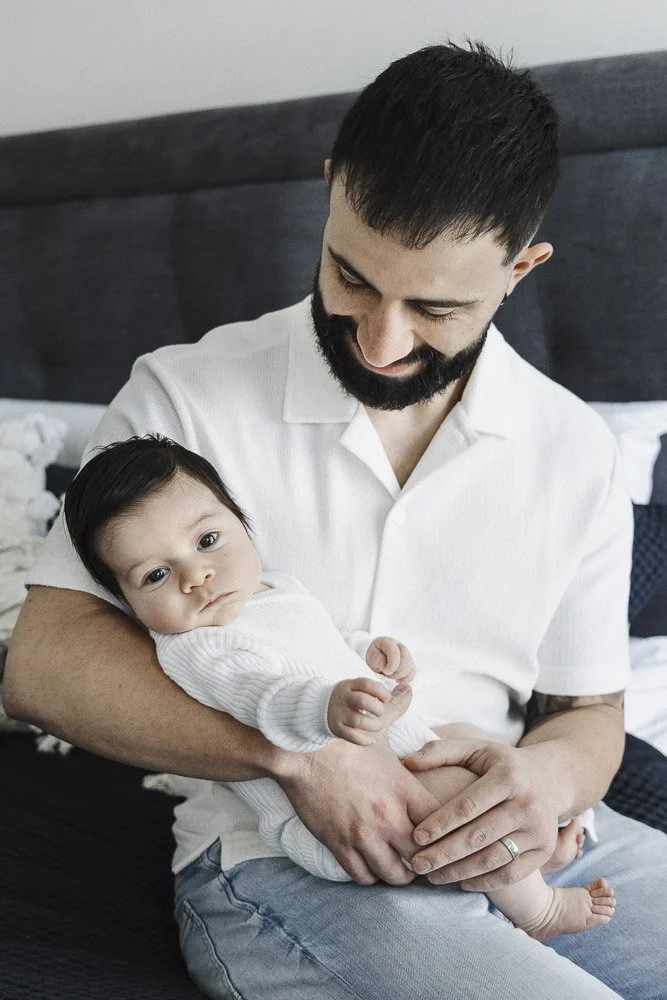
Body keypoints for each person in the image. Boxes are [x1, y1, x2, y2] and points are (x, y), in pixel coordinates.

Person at [6, 40, 667, 1000]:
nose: (380, 339)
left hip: (520, 851)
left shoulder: (575, 451)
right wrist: (303, 757)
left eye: (434, 307)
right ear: (329, 191)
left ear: (522, 268)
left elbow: (587, 711)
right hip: (282, 863)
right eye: (352, 277)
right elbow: (44, 663)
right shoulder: (183, 395)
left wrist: (546, 787)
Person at [63, 433, 616, 941]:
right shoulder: (197, 648)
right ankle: (538, 910)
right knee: (453, 794)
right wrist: (325, 707)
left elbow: (325, 644)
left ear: (243, 522)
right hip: (324, 823)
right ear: (124, 601)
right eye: (155, 575)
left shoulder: (277, 590)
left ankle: (527, 849)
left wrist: (373, 655)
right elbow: (260, 696)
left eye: (208, 539)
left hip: (388, 752)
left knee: (471, 740)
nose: (195, 576)